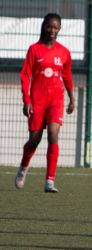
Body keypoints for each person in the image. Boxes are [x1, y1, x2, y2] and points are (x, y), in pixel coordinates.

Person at [15, 13, 74, 193]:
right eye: (50, 27)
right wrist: (27, 100)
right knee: (35, 139)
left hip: (56, 100)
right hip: (38, 100)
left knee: (53, 136)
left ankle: (49, 180)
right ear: (44, 27)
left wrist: (72, 99)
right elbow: (25, 76)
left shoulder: (64, 52)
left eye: (56, 28)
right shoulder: (34, 50)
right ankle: (23, 168)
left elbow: (67, 76)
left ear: (59, 29)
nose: (52, 31)